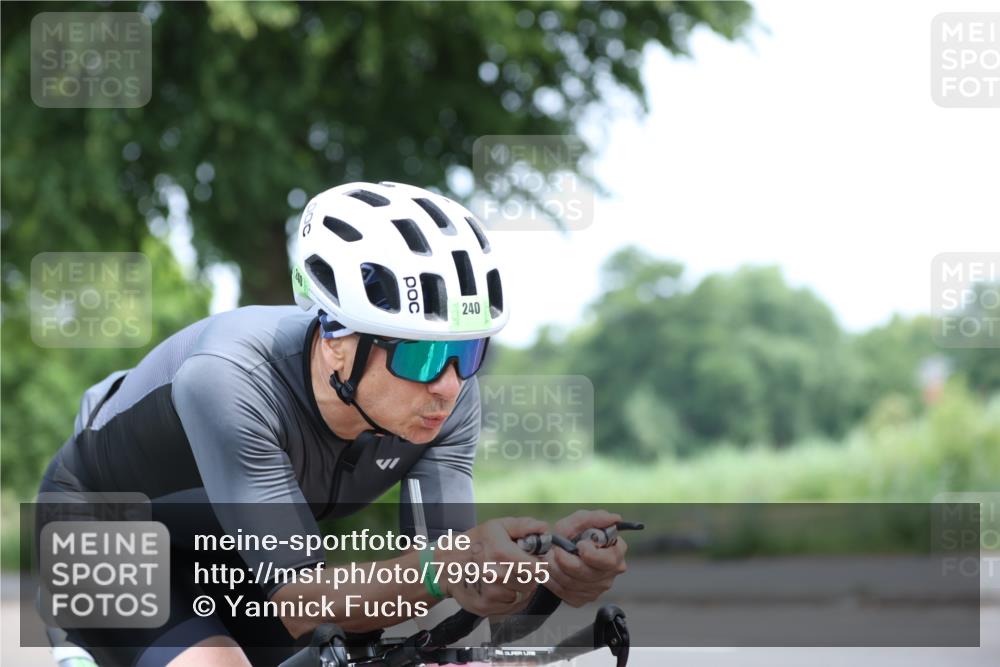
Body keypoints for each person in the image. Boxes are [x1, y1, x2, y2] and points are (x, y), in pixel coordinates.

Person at [37, 181, 627, 667]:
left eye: (468, 352)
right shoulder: (229, 380)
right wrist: (446, 567)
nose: (448, 384)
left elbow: (448, 588)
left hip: (236, 551)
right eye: (422, 355)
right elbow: (308, 600)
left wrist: (549, 574)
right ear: (337, 342)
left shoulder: (448, 399)